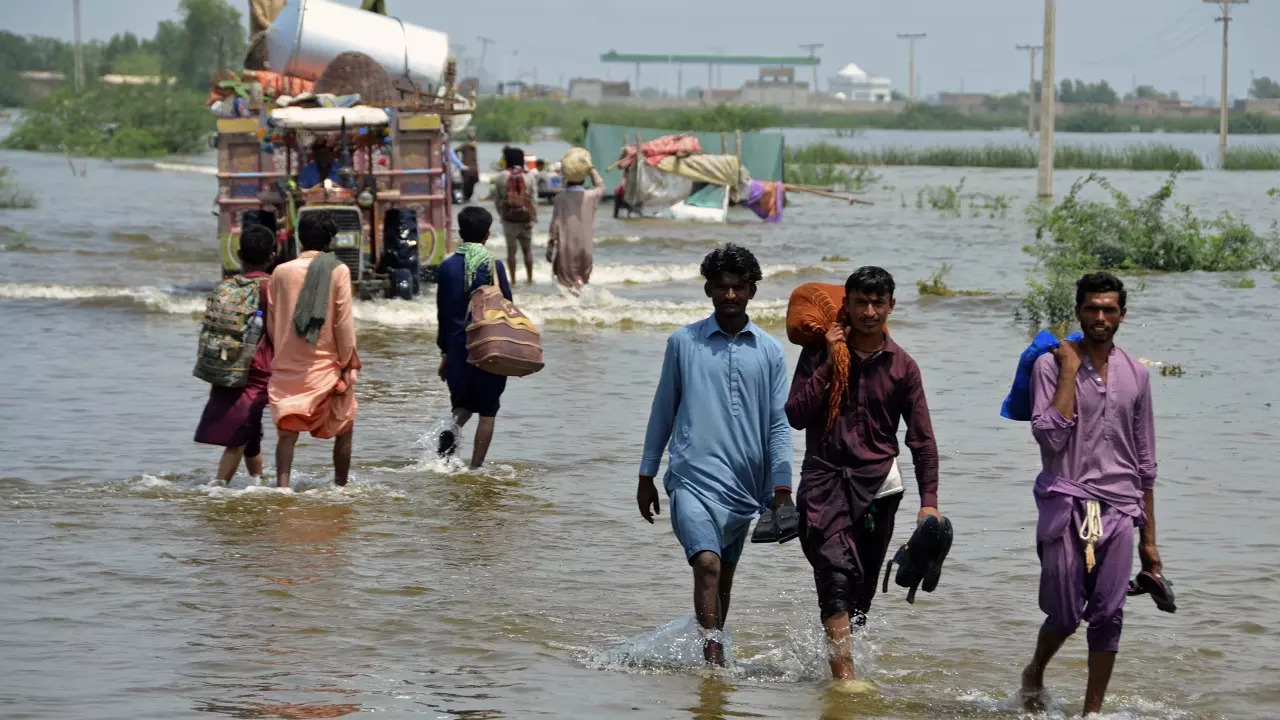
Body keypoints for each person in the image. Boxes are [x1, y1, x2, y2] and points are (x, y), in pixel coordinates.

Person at [638, 243, 794, 666]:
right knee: (705, 564)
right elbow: (662, 410)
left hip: (745, 488)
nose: (730, 296)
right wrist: (646, 474)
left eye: (739, 288)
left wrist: (782, 489)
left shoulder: (769, 351)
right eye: (722, 287)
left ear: (752, 291)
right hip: (690, 479)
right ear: (708, 289)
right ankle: (714, 659)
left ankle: (713, 651)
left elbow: (778, 424)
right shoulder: (683, 343)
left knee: (722, 575)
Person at [784, 266, 940, 681]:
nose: (869, 311)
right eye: (860, 302)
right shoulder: (819, 353)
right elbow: (796, 416)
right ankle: (845, 680)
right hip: (823, 484)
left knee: (859, 595)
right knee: (835, 575)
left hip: (879, 491)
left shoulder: (903, 367)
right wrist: (829, 366)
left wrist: (929, 505)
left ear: (891, 305)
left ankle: (838, 661)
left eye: (877, 302)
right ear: (846, 307)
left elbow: (921, 440)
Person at [1020, 272, 1163, 716]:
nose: (1100, 317)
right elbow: (1049, 438)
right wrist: (1068, 370)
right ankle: (1035, 672)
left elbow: (1145, 460)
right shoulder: (1050, 365)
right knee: (1064, 614)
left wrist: (1151, 542)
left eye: (1109, 309)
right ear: (1078, 311)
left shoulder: (1136, 373)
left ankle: (1092, 712)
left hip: (1121, 506)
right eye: (1092, 309)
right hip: (1065, 500)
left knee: (1108, 615)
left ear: (1122, 314)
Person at [267, 212, 359, 488]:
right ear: (331, 240)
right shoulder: (337, 270)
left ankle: (282, 489)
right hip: (326, 364)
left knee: (286, 432)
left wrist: (283, 350)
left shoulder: (280, 271)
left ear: (298, 238)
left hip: (287, 363)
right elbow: (343, 321)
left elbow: (273, 321)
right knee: (345, 427)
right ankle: (340, 488)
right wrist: (346, 362)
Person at [194, 224, 277, 484]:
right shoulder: (270, 287)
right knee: (241, 433)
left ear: (239, 255)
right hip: (257, 367)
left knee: (251, 433)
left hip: (226, 363)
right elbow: (277, 330)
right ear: (272, 256)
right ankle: (218, 487)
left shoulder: (226, 285)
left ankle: (258, 483)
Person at [434, 206, 514, 469]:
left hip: (458, 349)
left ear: (460, 233)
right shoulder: (494, 266)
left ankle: (444, 454)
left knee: (463, 403)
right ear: (488, 235)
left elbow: (443, 315)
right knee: (488, 410)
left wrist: (445, 353)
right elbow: (507, 305)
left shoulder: (446, 268)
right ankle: (476, 468)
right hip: (487, 345)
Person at [546, 155, 604, 292]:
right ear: (583, 178)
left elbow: (554, 225)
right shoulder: (591, 196)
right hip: (586, 248)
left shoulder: (560, 198)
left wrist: (550, 247)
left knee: (567, 287)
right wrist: (591, 168)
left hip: (566, 248)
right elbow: (601, 185)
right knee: (583, 284)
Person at [492, 146, 537, 285]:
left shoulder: (500, 177)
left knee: (511, 252)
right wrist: (532, 218)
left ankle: (513, 281)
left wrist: (503, 215)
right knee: (527, 251)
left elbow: (497, 200)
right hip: (525, 219)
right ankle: (529, 279)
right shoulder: (529, 176)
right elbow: (534, 200)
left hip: (509, 220)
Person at [458, 130, 480, 203]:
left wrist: (458, 161)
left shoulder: (465, 145)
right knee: (471, 184)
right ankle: (468, 197)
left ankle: (466, 197)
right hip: (472, 168)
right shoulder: (474, 145)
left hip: (467, 168)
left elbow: (454, 151)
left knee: (466, 184)